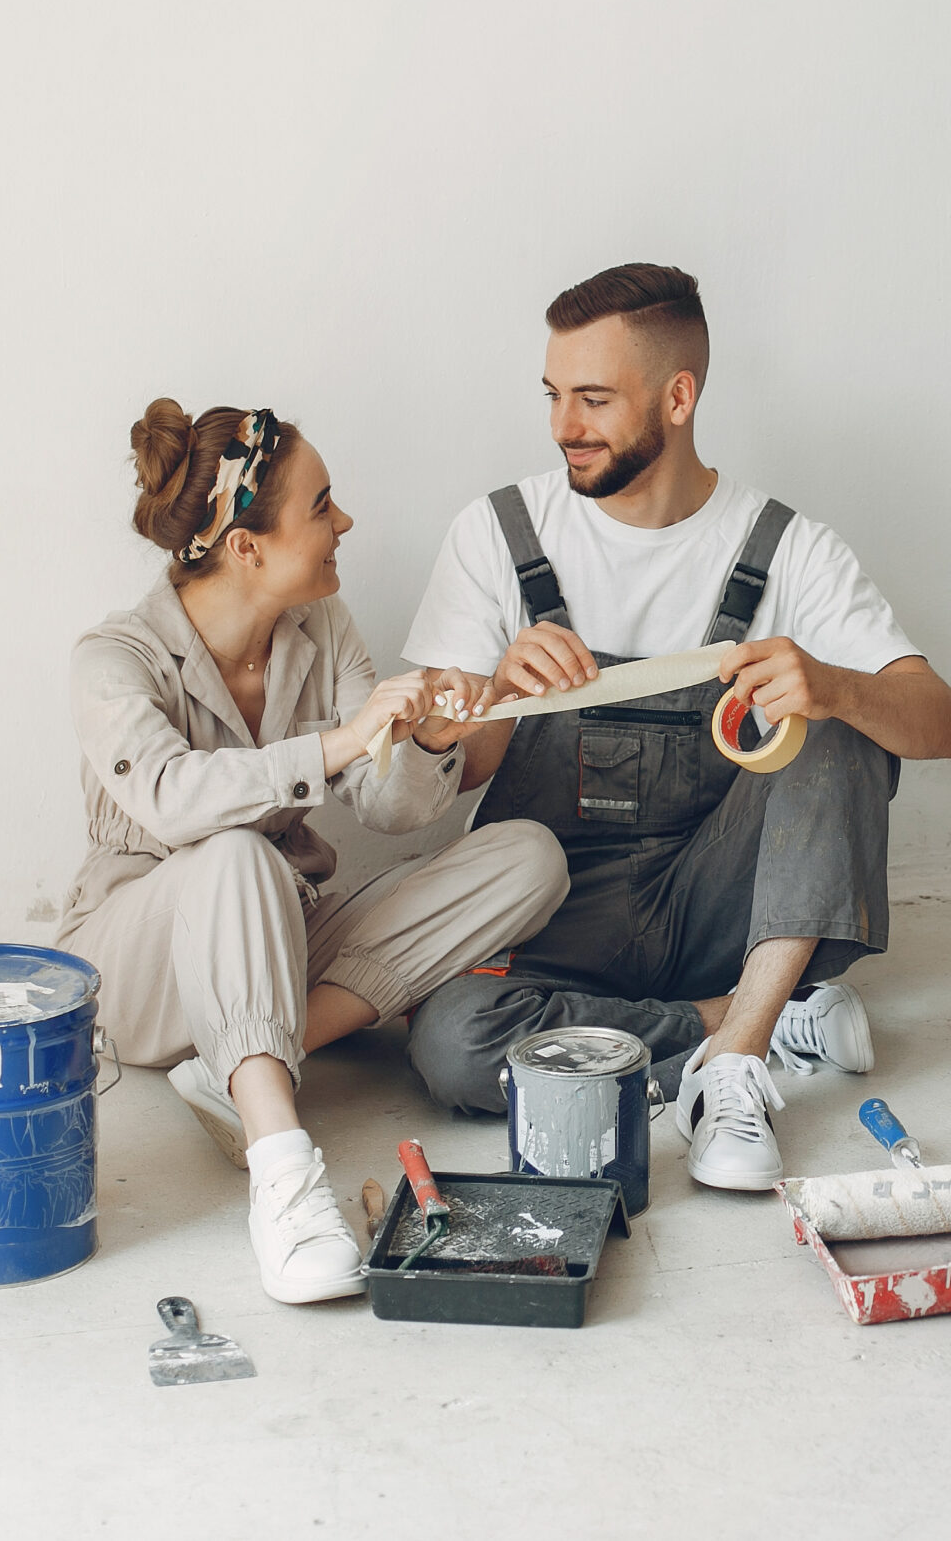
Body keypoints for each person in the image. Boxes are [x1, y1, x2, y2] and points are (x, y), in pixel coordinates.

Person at [400, 264, 951, 1191]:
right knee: (452, 1042)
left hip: (722, 902)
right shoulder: (497, 533)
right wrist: (494, 694)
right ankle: (752, 1014)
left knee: (836, 712)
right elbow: (454, 772)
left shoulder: (788, 548)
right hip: (552, 912)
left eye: (592, 399)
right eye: (552, 395)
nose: (562, 427)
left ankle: (733, 1066)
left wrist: (829, 683)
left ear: (678, 396)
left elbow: (946, 723)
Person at [58, 399, 570, 1302]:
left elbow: (389, 806)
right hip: (136, 966)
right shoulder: (115, 658)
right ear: (246, 547)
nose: (345, 522)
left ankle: (237, 1065)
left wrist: (436, 738)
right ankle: (284, 1179)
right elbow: (178, 802)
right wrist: (338, 743)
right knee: (232, 853)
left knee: (529, 854)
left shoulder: (321, 629)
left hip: (280, 931)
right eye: (321, 504)